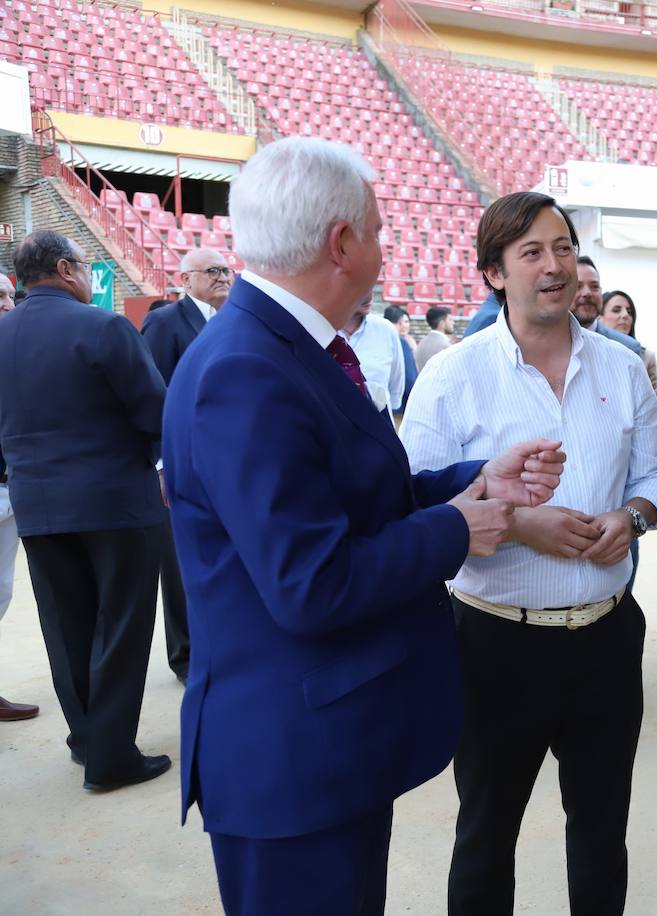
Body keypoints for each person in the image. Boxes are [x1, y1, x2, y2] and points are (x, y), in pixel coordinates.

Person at [161, 138, 565, 915]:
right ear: (341, 243)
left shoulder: (290, 351)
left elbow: (357, 497)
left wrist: (478, 483)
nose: (386, 249)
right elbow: (311, 583)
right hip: (291, 761)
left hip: (327, 747)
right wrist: (460, 530)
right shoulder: (248, 370)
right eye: (379, 231)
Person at [400, 190, 657, 916]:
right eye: (531, 253)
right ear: (495, 272)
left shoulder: (621, 368)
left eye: (563, 249)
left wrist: (634, 514)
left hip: (608, 638)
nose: (554, 267)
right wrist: (521, 525)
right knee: (487, 833)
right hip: (496, 643)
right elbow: (417, 501)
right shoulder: (453, 376)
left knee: (601, 831)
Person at [0, 230, 171, 789]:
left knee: (66, 625)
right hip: (115, 502)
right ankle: (111, 757)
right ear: (64, 268)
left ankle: (87, 740)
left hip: (37, 504)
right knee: (121, 626)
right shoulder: (103, 326)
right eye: (83, 263)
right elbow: (155, 413)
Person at [141, 247, 234, 683]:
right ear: (185, 278)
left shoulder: (235, 320)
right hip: (185, 463)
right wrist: (161, 462)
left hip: (232, 461)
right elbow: (151, 396)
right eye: (211, 270)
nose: (222, 277)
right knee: (180, 564)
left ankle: (223, 643)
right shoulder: (165, 322)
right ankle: (186, 655)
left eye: (226, 269)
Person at [0, 273, 37, 722]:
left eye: (11, 295)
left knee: (2, 593)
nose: (9, 304)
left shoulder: (15, 346)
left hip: (13, 486)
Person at [339, 298, 405, 412]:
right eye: (361, 286)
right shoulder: (317, 329)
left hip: (379, 422)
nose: (368, 295)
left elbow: (396, 381)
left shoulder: (386, 329)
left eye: (371, 286)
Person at [572, 256, 643, 355]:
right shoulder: (548, 342)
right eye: (578, 286)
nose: (587, 293)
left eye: (594, 286)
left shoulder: (627, 347)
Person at [601, 289, 657, 399]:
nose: (625, 315)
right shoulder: (584, 351)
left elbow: (655, 403)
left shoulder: (647, 356)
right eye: (616, 310)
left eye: (629, 312)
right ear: (598, 318)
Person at [383, 305, 419, 412]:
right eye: (401, 322)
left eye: (407, 322)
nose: (405, 326)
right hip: (399, 405)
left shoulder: (380, 340)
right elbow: (409, 378)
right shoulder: (401, 343)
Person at [415, 305, 454, 371]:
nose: (453, 323)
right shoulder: (444, 346)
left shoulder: (422, 342)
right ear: (442, 324)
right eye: (450, 320)